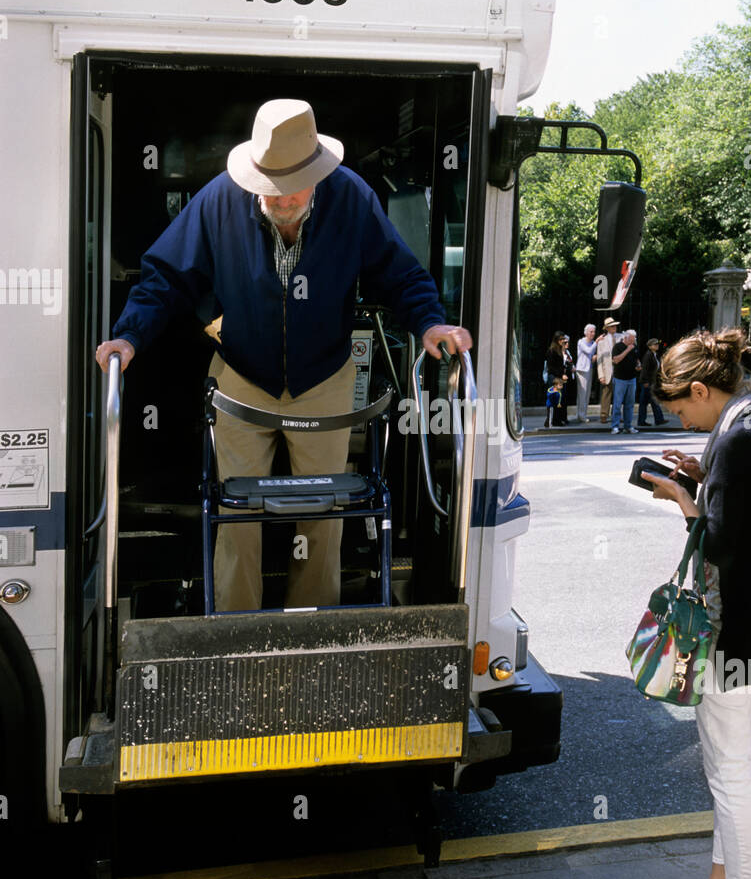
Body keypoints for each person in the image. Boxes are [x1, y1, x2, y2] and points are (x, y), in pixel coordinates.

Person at [95, 98, 471, 611]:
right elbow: (165, 273)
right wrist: (129, 337)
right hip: (241, 377)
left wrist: (429, 322)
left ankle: (311, 634)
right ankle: (236, 635)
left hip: (324, 379)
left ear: (319, 173)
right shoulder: (218, 200)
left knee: (324, 515)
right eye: (270, 188)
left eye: (295, 186)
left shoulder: (352, 198)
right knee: (234, 515)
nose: (282, 198)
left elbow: (399, 272)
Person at [641, 327, 751, 879]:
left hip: (732, 624)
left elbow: (725, 543)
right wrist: (704, 473)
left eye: (682, 409)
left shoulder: (739, 438)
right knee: (724, 760)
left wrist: (683, 497)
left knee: (730, 765)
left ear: (703, 389)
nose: (682, 422)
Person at [611, 329, 640, 434]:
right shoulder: (618, 347)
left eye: (634, 339)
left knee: (630, 404)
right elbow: (616, 360)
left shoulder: (634, 347)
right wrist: (627, 350)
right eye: (632, 339)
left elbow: (637, 359)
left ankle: (628, 426)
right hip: (620, 379)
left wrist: (638, 365)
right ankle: (615, 426)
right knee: (617, 404)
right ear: (626, 338)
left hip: (632, 378)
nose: (633, 341)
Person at [637, 337, 666, 428]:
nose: (657, 346)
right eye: (655, 344)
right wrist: (645, 381)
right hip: (648, 382)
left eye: (657, 344)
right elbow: (645, 369)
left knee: (648, 401)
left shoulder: (655, 355)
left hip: (651, 381)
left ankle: (656, 419)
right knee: (650, 401)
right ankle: (657, 419)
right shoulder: (648, 355)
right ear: (650, 346)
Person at [544, 333, 571, 425]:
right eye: (560, 339)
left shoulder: (560, 350)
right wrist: (561, 374)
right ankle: (552, 420)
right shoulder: (552, 351)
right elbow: (551, 367)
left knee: (560, 399)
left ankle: (558, 419)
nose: (563, 341)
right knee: (554, 399)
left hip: (559, 377)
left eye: (563, 339)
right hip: (554, 377)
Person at [595, 317, 618, 425]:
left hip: (619, 371)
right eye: (612, 326)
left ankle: (616, 414)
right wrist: (601, 375)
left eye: (615, 325)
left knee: (619, 394)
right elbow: (599, 359)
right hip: (607, 371)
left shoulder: (621, 338)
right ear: (607, 328)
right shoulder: (602, 341)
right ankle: (604, 415)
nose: (615, 327)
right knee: (606, 394)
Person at [574, 323, 597, 422]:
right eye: (591, 332)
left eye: (594, 332)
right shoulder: (581, 342)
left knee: (587, 393)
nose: (593, 334)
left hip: (589, 368)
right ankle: (581, 415)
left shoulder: (592, 342)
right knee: (582, 393)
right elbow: (588, 351)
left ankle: (583, 414)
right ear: (586, 332)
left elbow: (592, 354)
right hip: (582, 369)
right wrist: (597, 342)